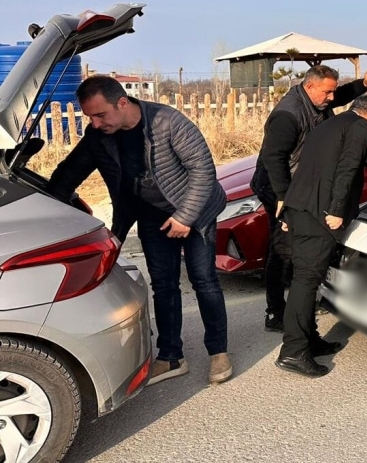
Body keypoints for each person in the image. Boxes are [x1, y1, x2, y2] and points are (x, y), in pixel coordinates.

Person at [48, 76, 233, 384]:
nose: (94, 123)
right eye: (89, 116)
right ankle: (171, 357)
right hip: (150, 217)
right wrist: (45, 205)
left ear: (123, 103)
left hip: (195, 211)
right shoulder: (99, 136)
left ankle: (219, 353)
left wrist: (185, 217)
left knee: (204, 281)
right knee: (163, 285)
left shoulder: (167, 121)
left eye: (100, 114)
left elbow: (203, 169)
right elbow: (69, 173)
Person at [251, 64, 367, 333]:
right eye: (327, 92)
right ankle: (276, 311)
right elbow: (274, 159)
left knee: (300, 251)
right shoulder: (288, 115)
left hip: (297, 185)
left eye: (333, 91)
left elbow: (338, 94)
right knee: (283, 249)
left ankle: (302, 302)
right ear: (309, 87)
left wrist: (362, 85)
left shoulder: (315, 100)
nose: (332, 98)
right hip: (277, 186)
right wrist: (284, 199)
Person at [275, 94, 367, 377]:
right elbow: (347, 169)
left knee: (304, 278)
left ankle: (309, 340)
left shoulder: (328, 125)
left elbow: (303, 167)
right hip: (320, 215)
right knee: (306, 281)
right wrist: (336, 210)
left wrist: (288, 211)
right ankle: (293, 352)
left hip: (300, 208)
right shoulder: (360, 127)